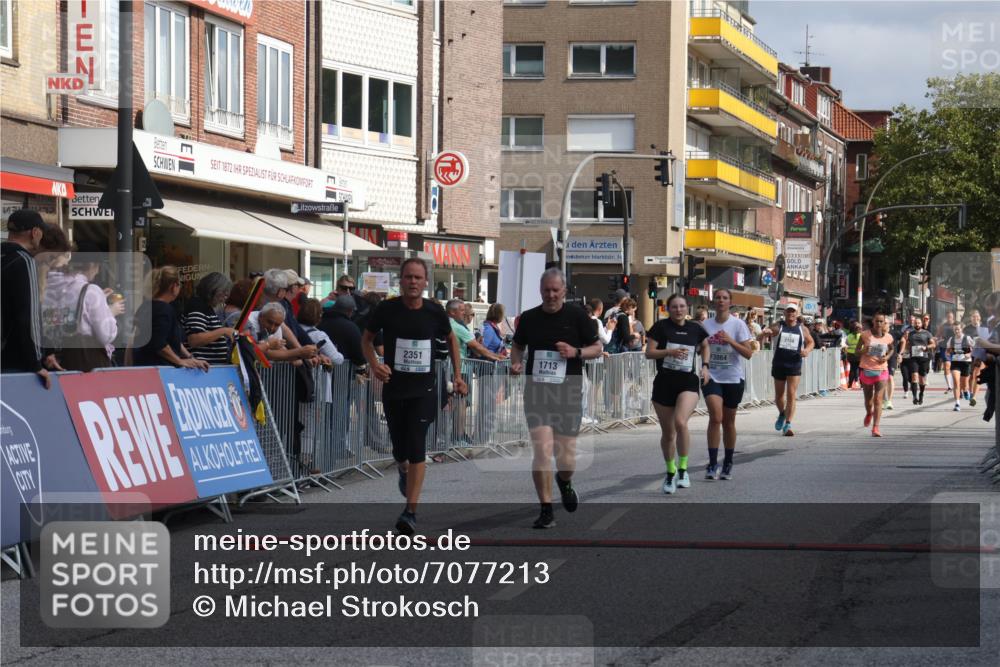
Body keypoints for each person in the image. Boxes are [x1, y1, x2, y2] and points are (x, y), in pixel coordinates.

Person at [363, 258, 467, 536]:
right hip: (395, 388)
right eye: (408, 277)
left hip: (425, 390)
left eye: (418, 278)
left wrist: (458, 375)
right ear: (401, 280)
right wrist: (375, 364)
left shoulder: (434, 311)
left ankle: (410, 512)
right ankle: (402, 468)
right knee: (400, 448)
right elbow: (366, 338)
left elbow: (452, 340)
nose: (413, 282)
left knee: (417, 442)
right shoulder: (387, 309)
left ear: (425, 282)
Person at [511, 268, 601, 529]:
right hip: (537, 392)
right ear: (540, 290)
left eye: (555, 290)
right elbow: (517, 346)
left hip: (568, 391)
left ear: (564, 291)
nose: (550, 295)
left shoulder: (577, 316)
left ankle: (565, 481)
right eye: (546, 290)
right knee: (542, 451)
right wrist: (516, 363)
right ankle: (546, 509)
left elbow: (597, 349)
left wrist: (576, 351)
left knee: (566, 459)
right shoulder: (529, 318)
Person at [645, 294, 710, 494]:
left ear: (687, 309)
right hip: (664, 382)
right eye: (674, 307)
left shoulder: (695, 328)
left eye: (682, 306)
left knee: (681, 422)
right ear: (668, 309)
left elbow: (706, 345)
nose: (678, 310)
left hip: (687, 381)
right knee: (668, 433)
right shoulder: (660, 327)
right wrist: (668, 353)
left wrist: (705, 366)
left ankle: (683, 469)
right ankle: (670, 471)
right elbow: (649, 352)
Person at [1, 211, 65, 387]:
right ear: (35, 232)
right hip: (13, 360)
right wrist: (36, 362)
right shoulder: (24, 261)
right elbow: (28, 316)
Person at [700, 289, 755, 480]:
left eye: (724, 298)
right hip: (711, 376)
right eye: (718, 298)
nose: (721, 301)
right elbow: (700, 349)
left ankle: (728, 462)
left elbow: (748, 354)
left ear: (730, 302)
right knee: (716, 417)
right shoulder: (706, 324)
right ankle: (713, 463)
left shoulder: (738, 325)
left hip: (733, 377)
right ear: (713, 301)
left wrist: (730, 340)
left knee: (728, 421)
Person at [44, 250, 124, 371]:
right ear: (92, 265)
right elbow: (106, 335)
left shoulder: (52, 286)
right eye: (98, 268)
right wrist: (110, 312)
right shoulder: (91, 290)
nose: (97, 273)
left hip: (56, 359)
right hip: (86, 362)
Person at [132, 266, 209, 370]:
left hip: (142, 367)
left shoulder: (144, 306)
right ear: (173, 286)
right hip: (159, 370)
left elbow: (173, 340)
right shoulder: (164, 309)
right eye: (179, 285)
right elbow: (159, 344)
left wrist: (190, 357)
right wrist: (179, 361)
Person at [760, 304, 814, 437]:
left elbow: (811, 342)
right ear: (784, 312)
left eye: (793, 311)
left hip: (794, 364)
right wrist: (764, 334)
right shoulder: (778, 326)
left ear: (797, 313)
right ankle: (782, 414)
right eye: (789, 311)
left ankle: (788, 424)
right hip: (779, 364)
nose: (791, 313)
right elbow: (763, 335)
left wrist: (807, 350)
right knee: (779, 396)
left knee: (791, 394)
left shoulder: (802, 328)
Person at [183, 272, 235, 365]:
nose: (225, 298)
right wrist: (223, 331)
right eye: (224, 293)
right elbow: (194, 339)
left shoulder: (206, 307)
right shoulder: (197, 307)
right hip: (201, 369)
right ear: (213, 290)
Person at [245, 302, 319, 363]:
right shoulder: (249, 322)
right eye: (269, 322)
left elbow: (279, 352)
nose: (272, 327)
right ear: (260, 316)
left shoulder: (278, 328)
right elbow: (263, 353)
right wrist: (299, 352)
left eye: (277, 325)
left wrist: (301, 354)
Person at [858, 313, 893, 437]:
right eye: (877, 321)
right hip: (867, 370)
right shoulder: (864, 335)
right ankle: (869, 413)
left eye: (881, 322)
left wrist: (886, 357)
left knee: (878, 399)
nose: (879, 324)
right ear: (873, 321)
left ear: (884, 323)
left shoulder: (888, 337)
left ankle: (876, 428)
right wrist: (864, 350)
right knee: (868, 400)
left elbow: (891, 349)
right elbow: (856, 352)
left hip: (882, 370)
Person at [319, 294, 366, 368]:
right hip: (342, 373)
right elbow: (359, 357)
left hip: (318, 372)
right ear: (350, 311)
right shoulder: (351, 327)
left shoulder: (319, 322)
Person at [298, 298, 345, 366]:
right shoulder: (319, 336)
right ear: (319, 315)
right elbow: (337, 359)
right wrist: (337, 352)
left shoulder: (293, 329)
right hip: (313, 374)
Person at [903, 316, 935, 405]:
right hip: (913, 358)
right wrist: (905, 350)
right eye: (916, 323)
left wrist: (926, 347)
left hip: (924, 358)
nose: (917, 324)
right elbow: (907, 345)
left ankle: (921, 394)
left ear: (921, 324)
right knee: (914, 376)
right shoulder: (910, 334)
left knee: (922, 379)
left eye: (919, 323)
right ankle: (914, 396)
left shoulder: (927, 333)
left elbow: (933, 344)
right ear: (914, 324)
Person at [946, 322, 974, 411]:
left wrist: (969, 354)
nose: (956, 331)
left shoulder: (967, 338)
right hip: (955, 362)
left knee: (964, 384)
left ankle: (966, 391)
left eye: (958, 329)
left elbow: (975, 348)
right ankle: (957, 403)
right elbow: (948, 351)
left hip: (965, 363)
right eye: (955, 329)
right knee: (956, 382)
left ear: (961, 329)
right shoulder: (951, 339)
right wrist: (948, 352)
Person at [966, 309, 989, 407]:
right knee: (971, 376)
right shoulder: (967, 329)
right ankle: (971, 393)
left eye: (977, 316)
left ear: (979, 317)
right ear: (970, 318)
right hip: (970, 355)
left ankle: (974, 397)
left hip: (982, 354)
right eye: (973, 317)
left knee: (977, 373)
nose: (975, 318)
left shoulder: (985, 328)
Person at [845, 321, 863, 388]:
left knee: (852, 368)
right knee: (861, 369)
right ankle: (861, 384)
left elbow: (846, 343)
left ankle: (850, 384)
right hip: (859, 354)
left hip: (851, 354)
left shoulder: (849, 336)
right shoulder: (861, 335)